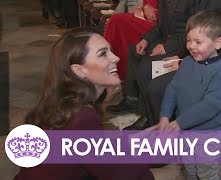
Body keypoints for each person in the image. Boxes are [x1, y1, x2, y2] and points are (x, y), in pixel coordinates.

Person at [14, 28, 154, 180]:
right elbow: (117, 173)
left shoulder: (66, 100)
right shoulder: (82, 116)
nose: (116, 58)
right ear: (79, 70)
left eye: (111, 51)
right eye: (103, 53)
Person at [125, 0, 221, 129]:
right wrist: (181, 57)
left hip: (219, 61)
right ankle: (154, 121)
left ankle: (164, 128)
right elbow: (193, 31)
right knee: (148, 69)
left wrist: (184, 62)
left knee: (157, 87)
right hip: (199, 54)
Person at [154, 10, 221, 179]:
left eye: (198, 42)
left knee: (206, 173)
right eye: (189, 40)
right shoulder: (188, 61)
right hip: (184, 129)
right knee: (188, 166)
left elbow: (210, 105)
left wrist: (179, 123)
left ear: (218, 43)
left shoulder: (220, 71)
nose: (191, 46)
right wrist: (165, 116)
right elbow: (173, 88)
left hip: (207, 133)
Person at [106, 0, 197, 127]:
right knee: (134, 51)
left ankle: (149, 117)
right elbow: (159, 26)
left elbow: (191, 33)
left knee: (146, 67)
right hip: (168, 40)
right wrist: (146, 40)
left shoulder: (192, 3)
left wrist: (165, 47)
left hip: (182, 47)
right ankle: (132, 100)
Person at [104, 0, 158, 80]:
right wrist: (144, 7)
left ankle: (107, 73)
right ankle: (108, 72)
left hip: (160, 23)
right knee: (116, 22)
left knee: (116, 21)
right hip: (145, 17)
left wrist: (146, 9)